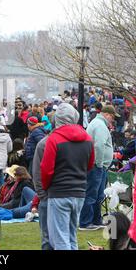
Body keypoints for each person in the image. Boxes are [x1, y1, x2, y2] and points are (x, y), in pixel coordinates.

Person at [40, 103, 95, 250]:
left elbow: (46, 169)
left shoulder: (54, 139)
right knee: (71, 237)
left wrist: (46, 188)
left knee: (60, 239)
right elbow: (90, 165)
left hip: (59, 192)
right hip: (79, 192)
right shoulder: (88, 139)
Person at [79, 105, 117, 231]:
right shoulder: (100, 125)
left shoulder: (97, 123)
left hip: (97, 166)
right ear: (107, 114)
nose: (112, 120)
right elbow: (99, 146)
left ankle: (96, 220)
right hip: (96, 166)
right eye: (112, 117)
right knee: (91, 194)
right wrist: (100, 164)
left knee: (98, 195)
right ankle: (85, 222)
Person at [32, 130, 52, 250]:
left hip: (46, 196)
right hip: (44, 196)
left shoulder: (43, 144)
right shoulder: (43, 144)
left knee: (48, 237)